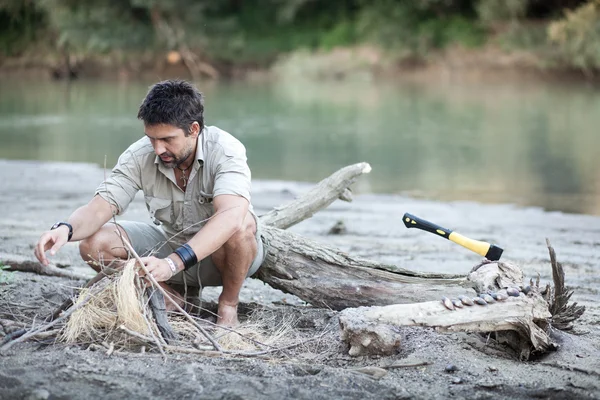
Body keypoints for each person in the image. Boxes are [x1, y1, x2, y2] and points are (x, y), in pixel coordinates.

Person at [33, 79, 265, 326]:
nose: (158, 148)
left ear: (194, 129)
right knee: (94, 244)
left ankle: (228, 305)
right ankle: (171, 299)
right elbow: (101, 206)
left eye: (167, 139)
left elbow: (231, 216)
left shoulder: (226, 150)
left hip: (225, 259)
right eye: (152, 138)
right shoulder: (140, 154)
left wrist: (172, 263)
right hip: (171, 243)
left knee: (239, 228)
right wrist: (65, 229)